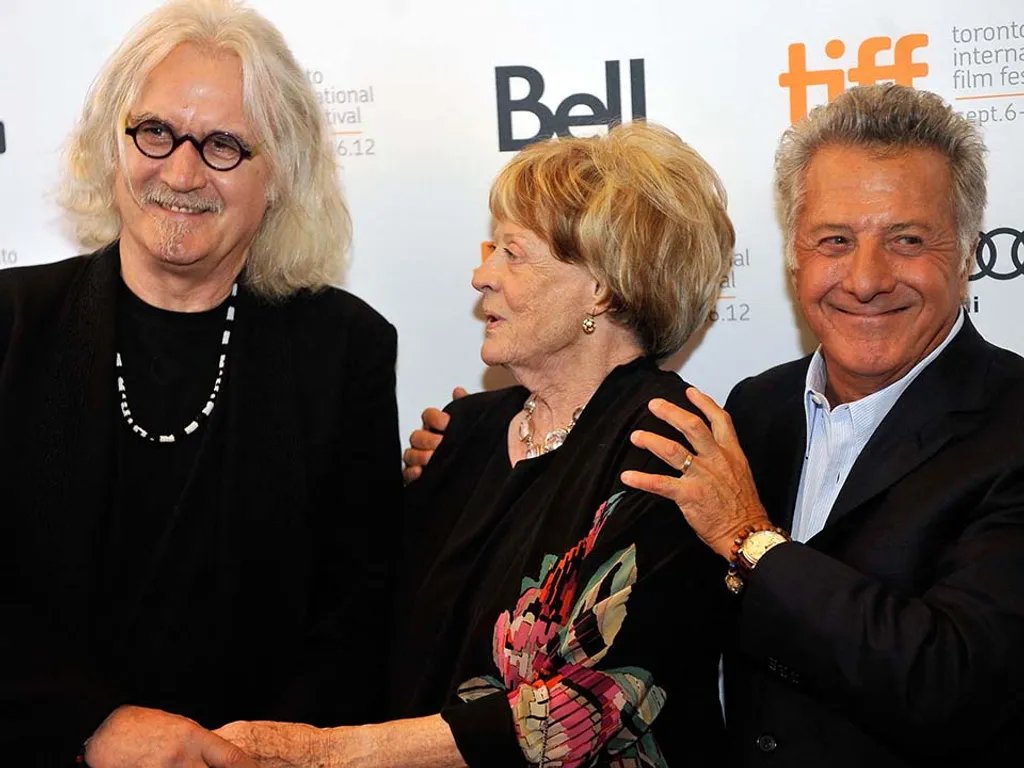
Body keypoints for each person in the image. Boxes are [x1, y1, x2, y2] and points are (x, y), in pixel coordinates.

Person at [213, 122, 736, 766]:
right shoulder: (466, 434)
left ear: (601, 286)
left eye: (513, 253)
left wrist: (321, 754)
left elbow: (578, 710)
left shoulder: (670, 448)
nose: (480, 275)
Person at [0, 0, 401, 765]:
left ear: (279, 172)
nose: (180, 173)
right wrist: (93, 726)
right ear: (108, 145)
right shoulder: (10, 328)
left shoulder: (345, 351)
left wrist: (253, 753)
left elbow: (358, 615)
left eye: (223, 145)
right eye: (155, 132)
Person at [619, 84, 1024, 765]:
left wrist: (750, 540)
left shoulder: (1013, 422)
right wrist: (487, 455)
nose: (865, 279)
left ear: (966, 255)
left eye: (907, 240)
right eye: (834, 240)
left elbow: (951, 682)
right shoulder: (753, 408)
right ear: (794, 255)